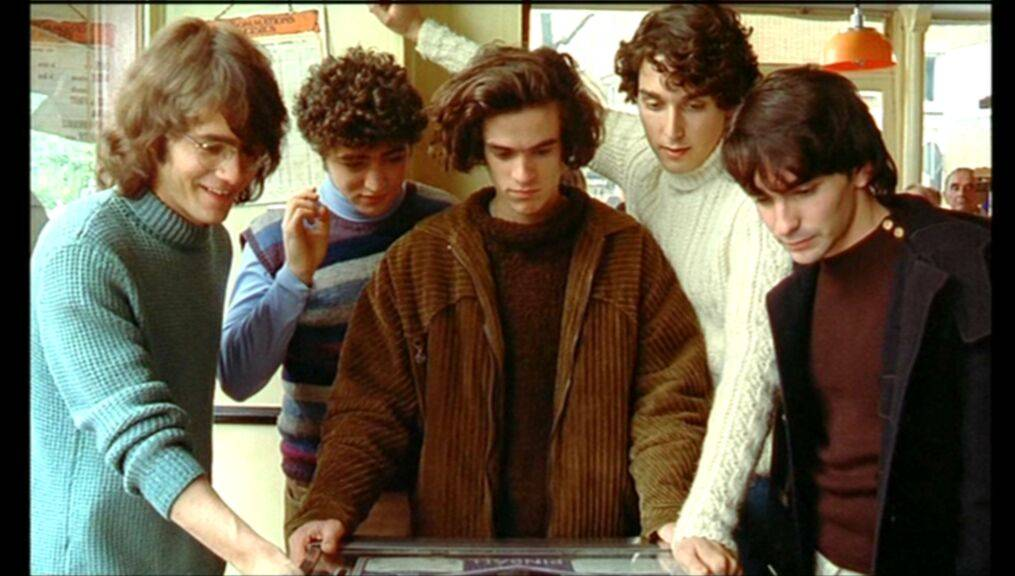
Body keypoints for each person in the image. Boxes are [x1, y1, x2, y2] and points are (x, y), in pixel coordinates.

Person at [369, 5, 791, 575]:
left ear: (732, 105)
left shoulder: (752, 206)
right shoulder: (645, 154)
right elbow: (528, 100)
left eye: (694, 105)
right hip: (659, 469)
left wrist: (702, 517)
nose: (671, 130)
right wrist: (418, 31)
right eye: (653, 102)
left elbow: (751, 374)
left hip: (733, 481)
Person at [284, 42, 713, 564]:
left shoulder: (627, 252)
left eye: (542, 151)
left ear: (568, 146)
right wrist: (330, 504)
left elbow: (669, 399)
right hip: (457, 549)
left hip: (595, 550)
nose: (523, 175)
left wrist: (669, 509)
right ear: (478, 149)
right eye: (504, 154)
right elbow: (369, 409)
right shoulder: (422, 260)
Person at [30, 17, 301, 575]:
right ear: (155, 134)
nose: (234, 173)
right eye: (211, 146)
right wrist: (256, 556)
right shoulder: (84, 247)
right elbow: (143, 438)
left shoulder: (211, 243)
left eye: (249, 151)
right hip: (91, 563)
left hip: (186, 561)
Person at [723, 66, 990, 575]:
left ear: (862, 169)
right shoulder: (794, 291)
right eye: (763, 199)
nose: (784, 222)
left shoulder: (962, 266)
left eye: (804, 191)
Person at [218, 47, 455, 538]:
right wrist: (295, 276)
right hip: (319, 486)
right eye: (354, 163)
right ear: (322, 152)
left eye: (394, 158)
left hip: (433, 484)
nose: (376, 181)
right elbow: (237, 377)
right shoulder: (274, 238)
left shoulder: (446, 224)